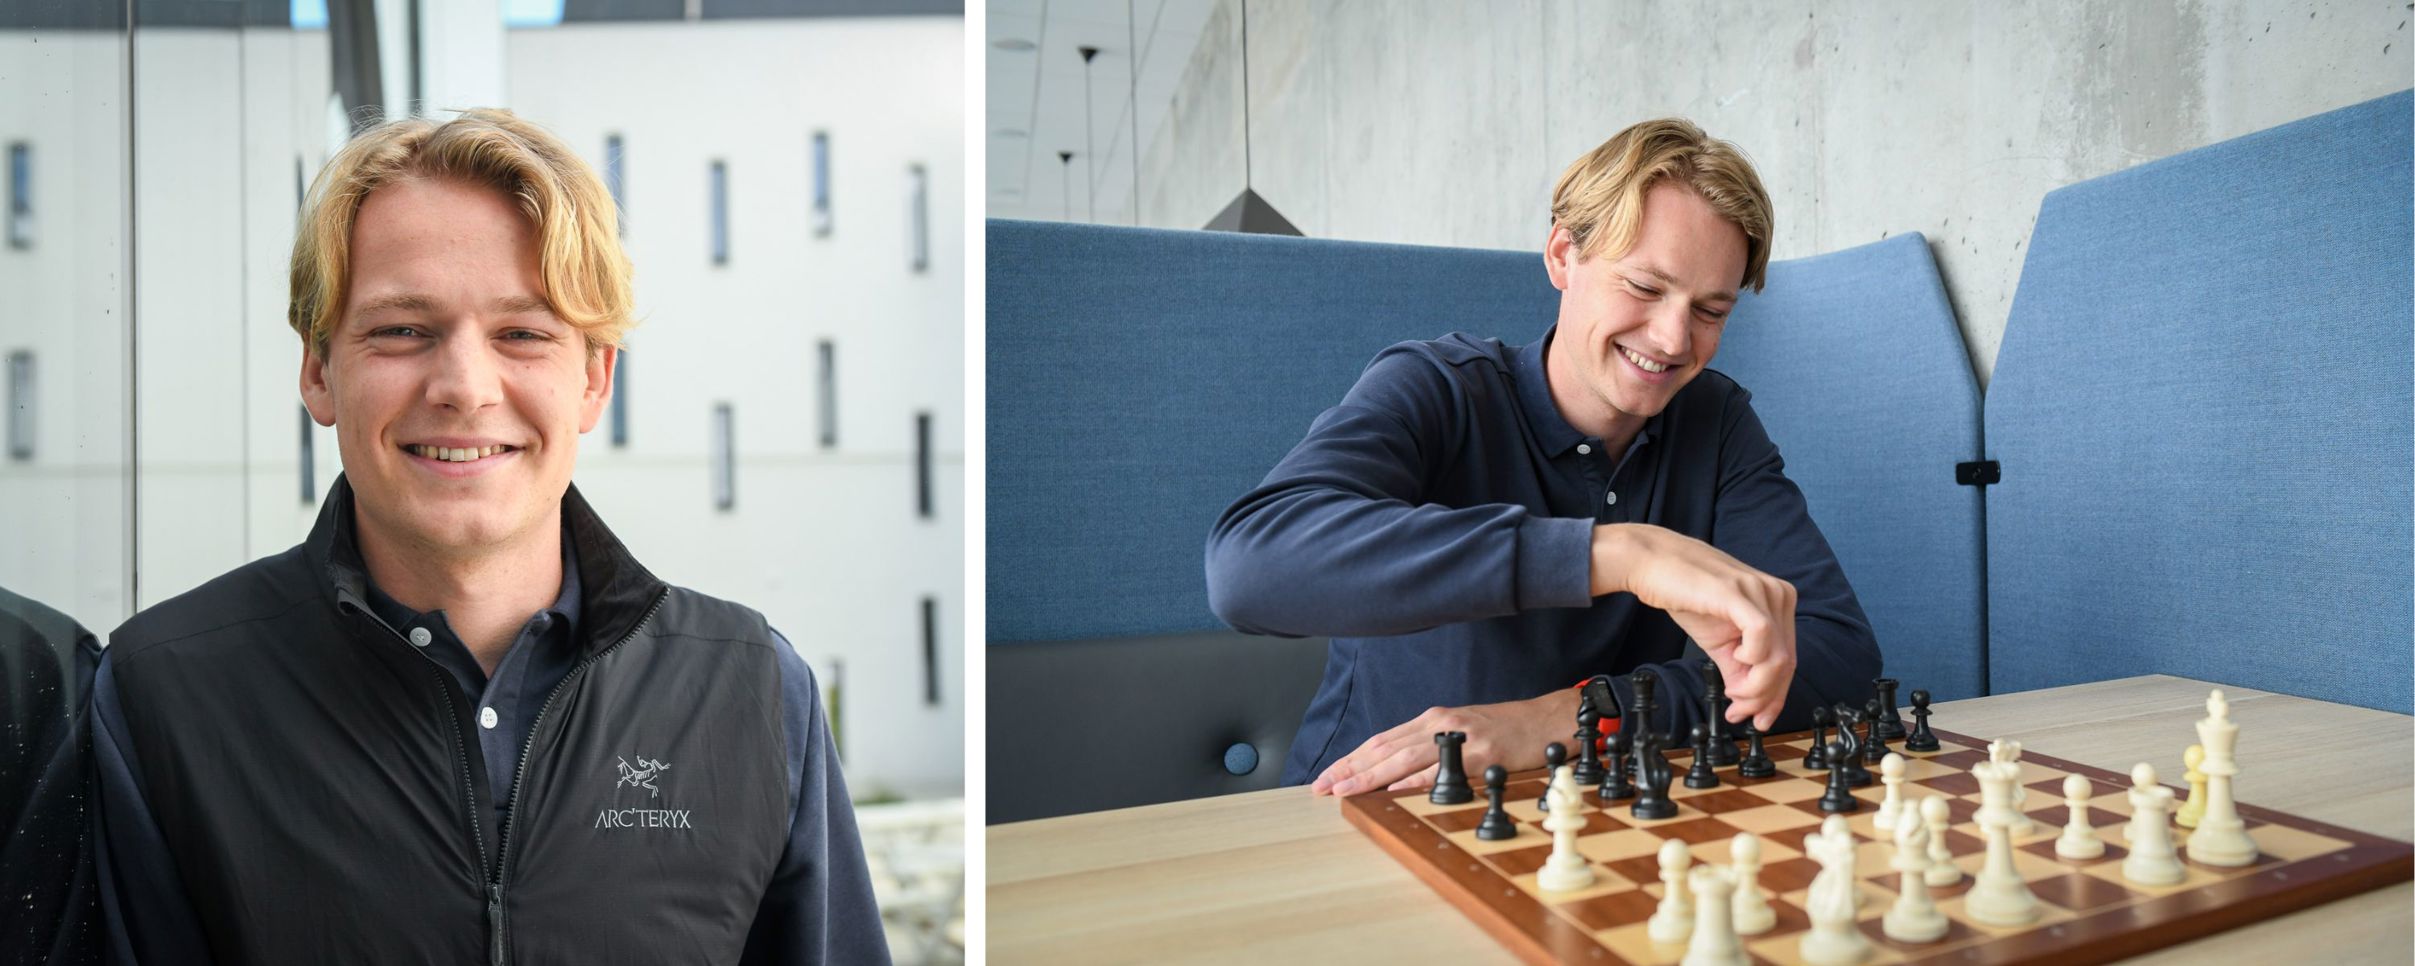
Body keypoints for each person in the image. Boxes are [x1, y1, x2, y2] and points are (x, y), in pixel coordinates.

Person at [91, 110, 887, 964]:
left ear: (594, 379)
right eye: (402, 330)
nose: (465, 387)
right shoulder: (163, 694)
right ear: (318, 370)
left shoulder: (752, 690)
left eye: (522, 334)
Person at [1205, 118, 1881, 797]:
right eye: (1645, 287)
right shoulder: (1437, 387)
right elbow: (1248, 570)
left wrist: (1572, 718)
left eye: (1710, 311)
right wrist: (1622, 555)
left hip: (1590, 814)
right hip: (1367, 806)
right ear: (1562, 255)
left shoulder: (1715, 421)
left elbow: (1838, 653)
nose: (1674, 339)